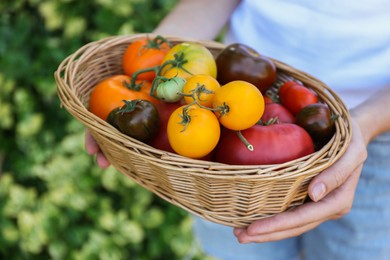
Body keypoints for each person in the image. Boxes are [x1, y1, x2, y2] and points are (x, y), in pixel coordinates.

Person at [86, 0, 390, 259]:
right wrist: (152, 74)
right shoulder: (203, 115)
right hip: (222, 125)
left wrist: (363, 127)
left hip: (373, 126)